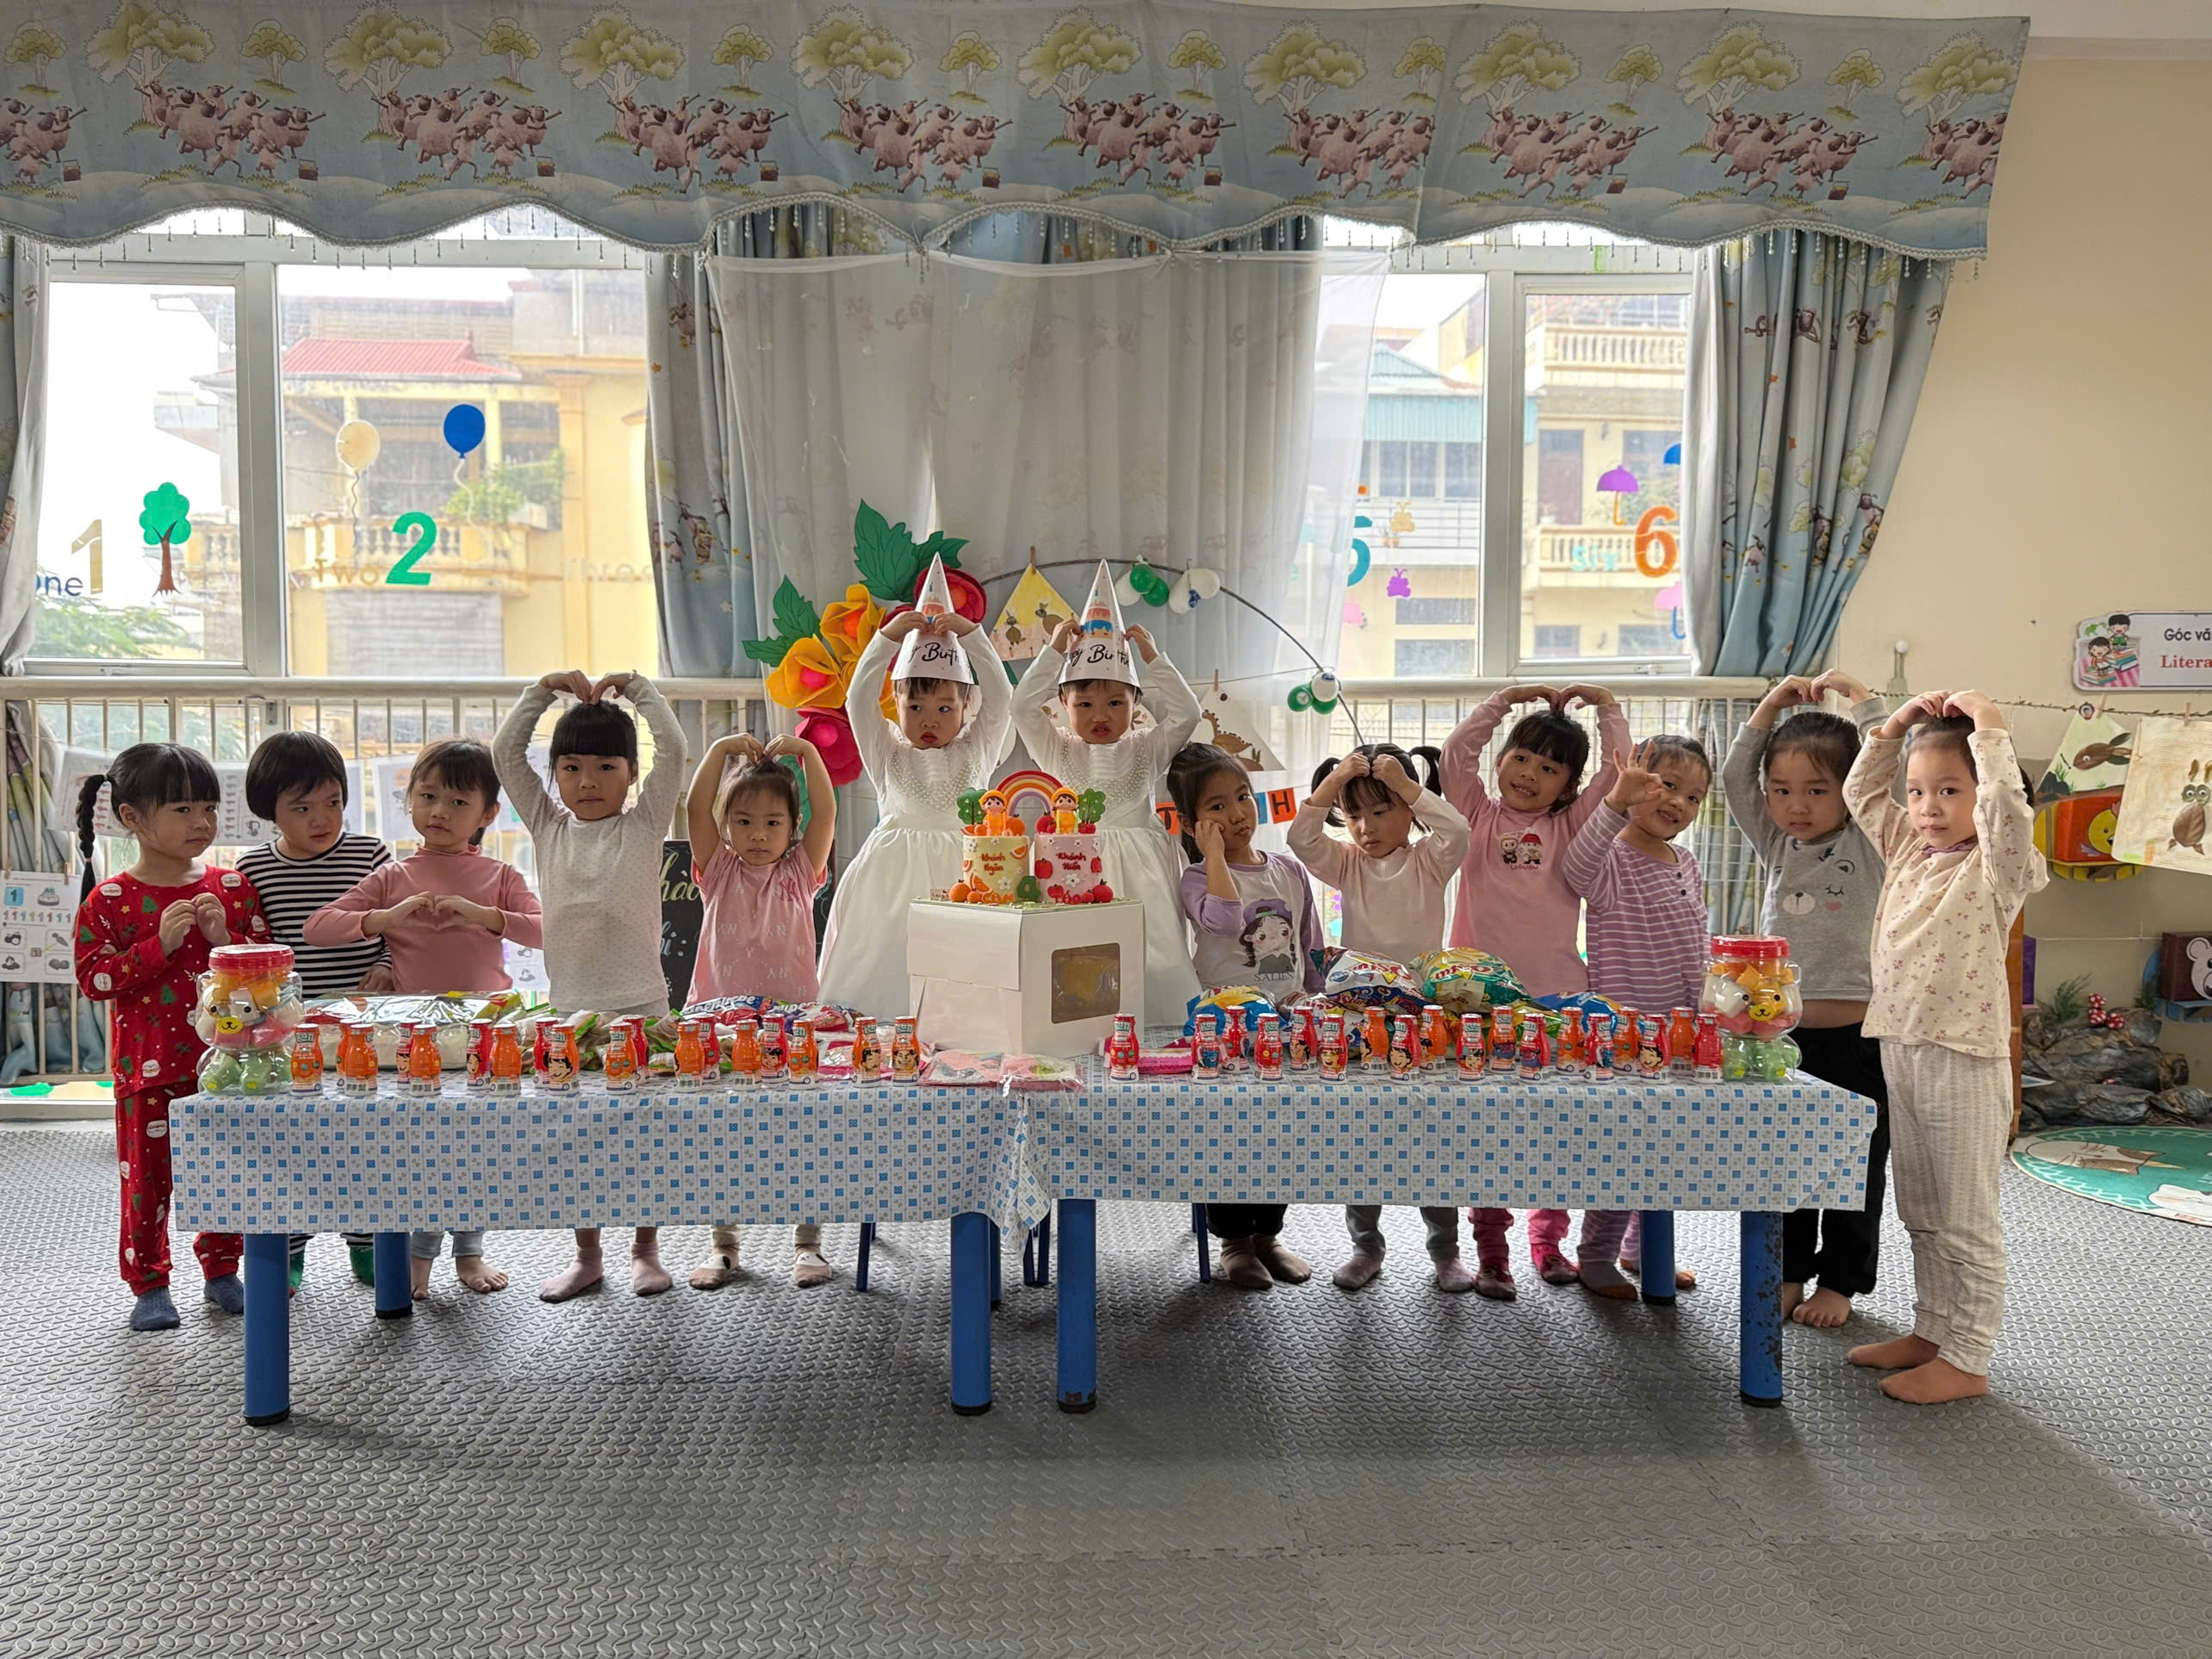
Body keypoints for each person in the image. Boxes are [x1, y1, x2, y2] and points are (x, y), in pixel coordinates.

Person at [1842, 690, 2044, 1404]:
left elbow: (2008, 812)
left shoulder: (1998, 865)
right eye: (1919, 791)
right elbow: (1861, 793)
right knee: (1921, 1209)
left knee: (1965, 1218)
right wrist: (1894, 726)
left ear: (1983, 793)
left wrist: (1988, 726)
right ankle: (1933, 1332)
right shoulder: (1909, 849)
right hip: (1901, 1041)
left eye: (1949, 791)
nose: (1928, 807)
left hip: (1962, 1054)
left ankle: (1968, 1356)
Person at [307, 738, 541, 1300]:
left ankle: (470, 1252)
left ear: (487, 815)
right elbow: (318, 928)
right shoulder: (393, 876)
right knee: (420, 1150)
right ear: (408, 799)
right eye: (428, 796)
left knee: (478, 1149)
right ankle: (418, 1258)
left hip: (484, 1034)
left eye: (458, 803)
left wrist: (485, 915)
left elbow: (545, 930)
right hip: (415, 1039)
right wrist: (381, 919)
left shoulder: (500, 875)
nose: (439, 811)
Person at [494, 668, 687, 1302]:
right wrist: (542, 691)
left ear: (631, 775)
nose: (588, 781)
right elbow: (505, 753)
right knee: (577, 1143)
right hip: (570, 1014)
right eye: (572, 768)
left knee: (645, 1141)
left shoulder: (644, 823)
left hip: (641, 1007)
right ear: (555, 776)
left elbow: (674, 748)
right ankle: (587, 1256)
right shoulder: (548, 826)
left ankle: (646, 1251)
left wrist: (638, 690)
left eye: (606, 768)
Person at [71, 743, 271, 1332]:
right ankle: (150, 1285)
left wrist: (225, 938)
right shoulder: (109, 899)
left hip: (230, 1064)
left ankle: (222, 1270)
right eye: (183, 809)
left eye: (208, 808)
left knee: (228, 1171)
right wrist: (155, 946)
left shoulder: (231, 887)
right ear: (131, 817)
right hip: (148, 1067)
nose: (202, 822)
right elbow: (94, 979)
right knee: (146, 1179)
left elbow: (269, 974)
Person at [1440, 683, 1628, 1296]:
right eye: (1521, 757)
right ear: (1500, 760)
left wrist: (1607, 707)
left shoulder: (1573, 824)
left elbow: (1619, 773)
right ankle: (1491, 1251)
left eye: (1550, 768)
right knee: (1484, 1129)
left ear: (1568, 786)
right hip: (1477, 1001)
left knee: (1557, 1128)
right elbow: (1454, 757)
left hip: (1555, 998)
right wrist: (1504, 700)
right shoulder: (1474, 814)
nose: (1530, 773)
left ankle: (1547, 1241)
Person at [1721, 671, 1890, 1327]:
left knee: (1855, 1165)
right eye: (1782, 789)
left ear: (1850, 790)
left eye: (1817, 790)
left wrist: (1867, 706)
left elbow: (1888, 773)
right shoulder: (1778, 843)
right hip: (1780, 1039)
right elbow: (1736, 777)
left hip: (1857, 1040)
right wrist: (1767, 707)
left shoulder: (1871, 839)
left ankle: (1842, 1282)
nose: (1796, 805)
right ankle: (1788, 1270)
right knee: (1784, 1161)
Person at [1286, 743, 1475, 1293]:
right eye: (1354, 815)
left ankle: (1445, 1252)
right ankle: (1365, 1248)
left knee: (1432, 1138)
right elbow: (1300, 838)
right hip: (1361, 1019)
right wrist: (1332, 783)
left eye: (1381, 810)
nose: (1366, 827)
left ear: (1410, 810)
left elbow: (1457, 830)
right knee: (1363, 1137)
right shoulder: (1347, 863)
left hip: (1423, 1021)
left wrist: (1411, 788)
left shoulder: (1429, 859)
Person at [817, 558, 1013, 1018]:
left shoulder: (978, 748)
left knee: (962, 973)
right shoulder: (886, 750)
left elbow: (1002, 697)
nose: (930, 720)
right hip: (891, 881)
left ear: (966, 705)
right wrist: (885, 640)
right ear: (897, 702)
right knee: (885, 963)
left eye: (945, 708)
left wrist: (973, 636)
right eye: (916, 707)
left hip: (965, 877)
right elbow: (858, 699)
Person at [1010, 563, 1202, 1025]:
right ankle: (1082, 1026)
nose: (1101, 715)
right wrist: (1054, 652)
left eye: (1116, 702)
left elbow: (1188, 713)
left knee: (1152, 947)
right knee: (1079, 958)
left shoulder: (1148, 747)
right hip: (1074, 868)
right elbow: (1021, 707)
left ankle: (1161, 1023)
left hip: (1143, 870)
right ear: (1063, 705)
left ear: (1136, 704)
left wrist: (1154, 659)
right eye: (1085, 704)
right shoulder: (1058, 750)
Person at [236, 729, 394, 1288]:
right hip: (292, 1030)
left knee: (364, 1138)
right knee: (293, 1140)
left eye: (333, 802)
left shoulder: (369, 854)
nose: (322, 819)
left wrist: (388, 966)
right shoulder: (253, 869)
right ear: (269, 810)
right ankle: (291, 1248)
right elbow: (254, 946)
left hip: (364, 1026)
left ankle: (368, 1243)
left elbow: (401, 928)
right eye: (302, 808)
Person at [681, 730, 837, 1292]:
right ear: (726, 826)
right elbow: (695, 807)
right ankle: (723, 1245)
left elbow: (826, 812)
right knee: (721, 1135)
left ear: (792, 828)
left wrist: (809, 754)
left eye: (773, 823)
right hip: (720, 1026)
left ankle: (807, 1243)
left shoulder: (800, 873)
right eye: (743, 821)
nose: (758, 834)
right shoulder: (717, 870)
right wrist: (719, 750)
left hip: (791, 1028)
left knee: (802, 1133)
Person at [1562, 735, 1713, 1300]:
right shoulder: (1612, 858)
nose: (1679, 803)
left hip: (1680, 1031)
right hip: (1624, 1036)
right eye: (1666, 786)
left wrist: (1709, 1013)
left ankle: (1642, 1250)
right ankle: (1596, 1255)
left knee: (1666, 1149)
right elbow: (1576, 868)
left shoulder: (1686, 862)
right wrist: (1614, 802)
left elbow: (1697, 944)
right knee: (1621, 1151)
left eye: (1693, 797)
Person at [1169, 742, 1321, 1292]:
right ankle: (1234, 1241)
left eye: (1242, 797)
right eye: (1217, 807)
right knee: (1229, 1130)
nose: (1237, 814)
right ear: (1191, 824)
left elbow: (1310, 942)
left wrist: (1316, 996)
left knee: (1282, 1129)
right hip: (1225, 1027)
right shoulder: (1196, 878)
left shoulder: (1288, 869)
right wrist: (1211, 855)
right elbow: (1226, 921)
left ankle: (1267, 1236)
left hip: (1285, 1021)